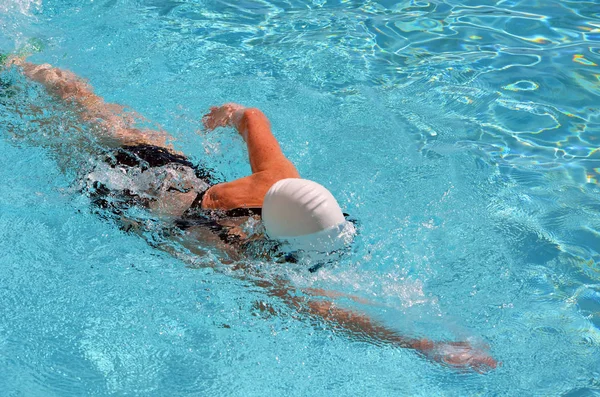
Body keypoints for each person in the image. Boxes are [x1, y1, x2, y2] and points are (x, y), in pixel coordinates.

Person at [2, 56, 498, 371]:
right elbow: (326, 310)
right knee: (46, 136)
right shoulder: (233, 255)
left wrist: (228, 112)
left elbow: (252, 116)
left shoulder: (280, 179)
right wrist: (418, 346)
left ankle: (22, 62)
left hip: (167, 165)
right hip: (123, 189)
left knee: (82, 104)